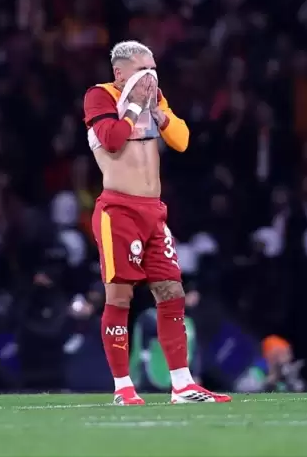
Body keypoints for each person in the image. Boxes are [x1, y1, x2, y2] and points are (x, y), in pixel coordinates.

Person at [82, 40, 230, 405]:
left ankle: (183, 385)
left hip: (154, 211)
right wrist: (134, 106)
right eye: (142, 69)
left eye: (153, 69)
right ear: (120, 72)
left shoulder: (155, 97)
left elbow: (182, 140)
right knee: (120, 297)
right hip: (118, 210)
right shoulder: (99, 96)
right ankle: (123, 387)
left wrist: (158, 113)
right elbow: (112, 140)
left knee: (172, 292)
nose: (150, 76)